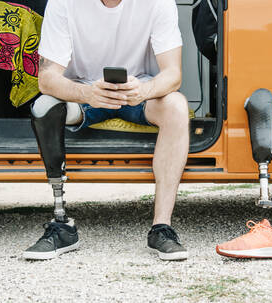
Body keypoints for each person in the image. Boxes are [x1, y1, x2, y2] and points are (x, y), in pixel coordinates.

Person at [23, 0, 190, 261]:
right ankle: (61, 223)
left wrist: (143, 91)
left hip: (139, 91)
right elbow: (46, 79)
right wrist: (87, 93)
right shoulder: (62, 3)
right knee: (45, 106)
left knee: (177, 106)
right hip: (84, 94)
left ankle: (162, 228)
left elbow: (173, 73)